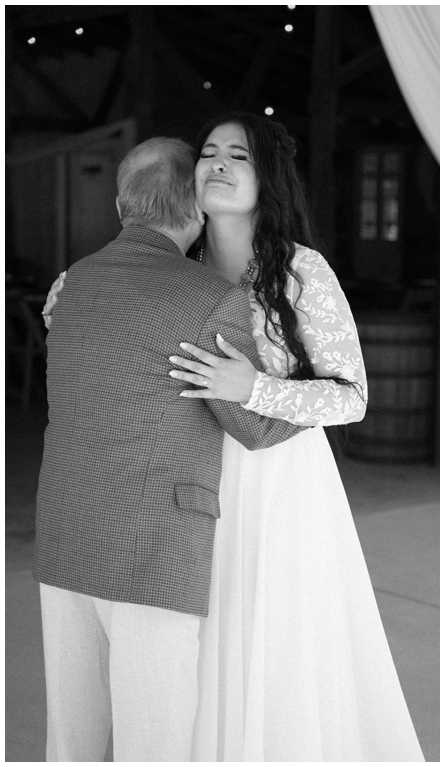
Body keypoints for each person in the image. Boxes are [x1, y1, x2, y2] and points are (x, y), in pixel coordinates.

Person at [34, 137, 305, 761]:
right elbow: (254, 427)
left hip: (63, 530)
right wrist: (317, 393)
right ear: (195, 204)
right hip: (152, 544)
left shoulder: (72, 284)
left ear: (123, 202)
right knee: (154, 740)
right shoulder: (208, 297)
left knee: (71, 738)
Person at [167, 112, 423, 761]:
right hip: (186, 479)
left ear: (268, 178)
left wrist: (253, 387)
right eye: (208, 152)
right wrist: (66, 294)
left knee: (273, 636)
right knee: (193, 639)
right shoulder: (171, 266)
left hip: (280, 483)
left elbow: (353, 396)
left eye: (238, 156)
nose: (217, 164)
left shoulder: (301, 272)